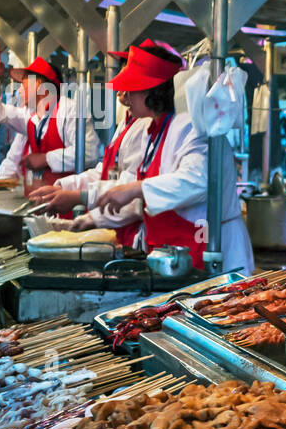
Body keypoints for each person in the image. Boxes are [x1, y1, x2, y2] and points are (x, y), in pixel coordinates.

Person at [92, 42, 254, 274]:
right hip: (178, 248)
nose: (125, 97)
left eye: (131, 89)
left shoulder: (190, 127)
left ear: (151, 92)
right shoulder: (154, 130)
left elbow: (197, 181)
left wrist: (136, 189)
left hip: (215, 245)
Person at [27, 41, 167, 237]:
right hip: (114, 219)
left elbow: (131, 186)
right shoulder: (128, 123)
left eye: (128, 78)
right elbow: (108, 171)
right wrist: (63, 187)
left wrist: (82, 200)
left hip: (132, 225)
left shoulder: (148, 126)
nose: (120, 88)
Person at [0, 54, 100, 191]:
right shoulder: (30, 116)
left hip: (69, 204)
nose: (19, 90)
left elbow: (89, 153)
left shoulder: (70, 110)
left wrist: (46, 159)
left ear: (38, 84)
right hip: (40, 203)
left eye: (23, 83)